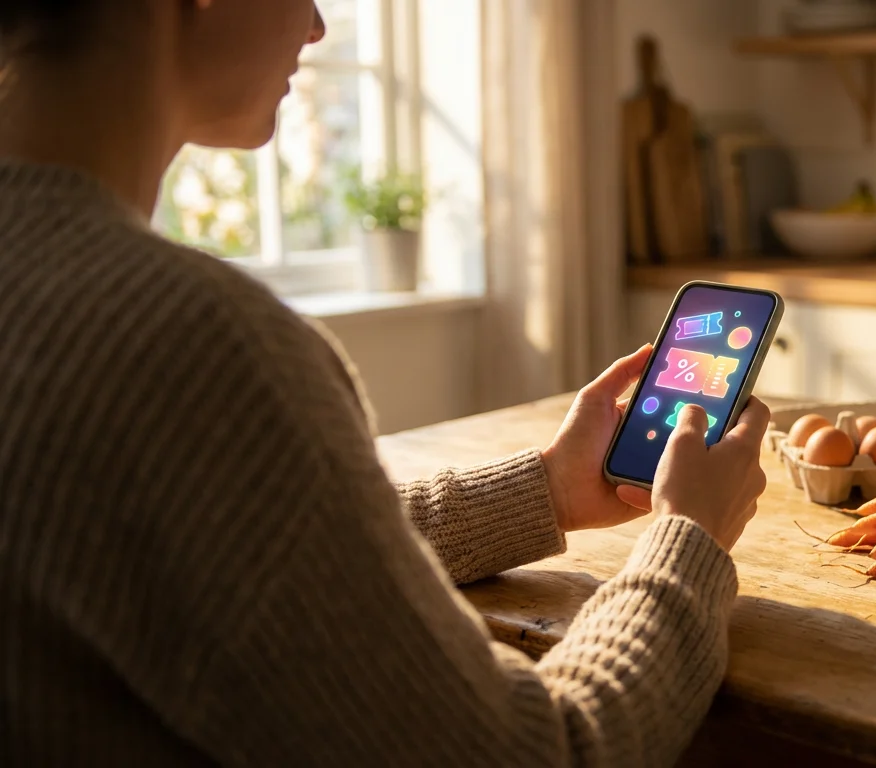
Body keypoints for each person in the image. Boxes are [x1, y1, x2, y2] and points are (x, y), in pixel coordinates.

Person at [0, 1, 771, 765]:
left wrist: (546, 490)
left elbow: (247, 551)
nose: (316, 27)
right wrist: (688, 544)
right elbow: (533, 754)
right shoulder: (194, 346)